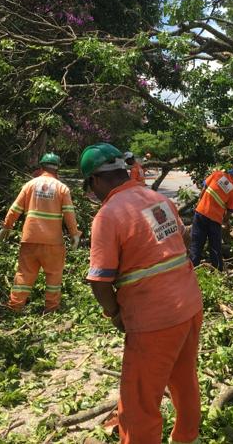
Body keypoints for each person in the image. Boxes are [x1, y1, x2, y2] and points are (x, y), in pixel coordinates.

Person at [80, 143, 203, 444]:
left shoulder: (108, 215)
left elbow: (99, 281)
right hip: (189, 306)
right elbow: (182, 242)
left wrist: (114, 314)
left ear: (95, 180)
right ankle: (186, 438)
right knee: (184, 379)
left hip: (154, 320)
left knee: (139, 401)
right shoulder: (157, 198)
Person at [0, 153, 81, 313]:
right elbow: (69, 214)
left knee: (24, 275)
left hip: (30, 239)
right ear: (57, 169)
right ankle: (51, 309)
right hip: (53, 242)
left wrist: (7, 226)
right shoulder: (62, 188)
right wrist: (74, 234)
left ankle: (15, 307)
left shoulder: (30, 185)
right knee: (54, 276)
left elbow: (15, 209)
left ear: (41, 167)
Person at [189, 162, 233, 271]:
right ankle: (218, 271)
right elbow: (230, 210)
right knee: (215, 247)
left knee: (196, 244)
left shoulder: (217, 174)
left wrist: (199, 203)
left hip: (200, 213)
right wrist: (225, 220)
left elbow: (203, 189)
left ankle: (191, 271)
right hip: (215, 220)